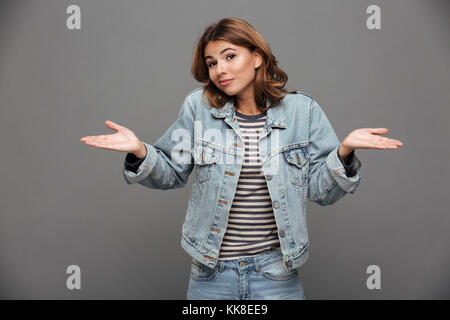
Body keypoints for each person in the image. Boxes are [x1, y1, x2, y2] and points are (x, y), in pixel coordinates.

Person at [80, 17, 403, 300]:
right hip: (210, 274)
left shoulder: (303, 112)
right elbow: (171, 172)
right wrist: (140, 151)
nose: (220, 69)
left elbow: (321, 192)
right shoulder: (199, 108)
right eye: (212, 62)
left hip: (276, 274)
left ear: (258, 57)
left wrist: (344, 152)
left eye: (230, 56)